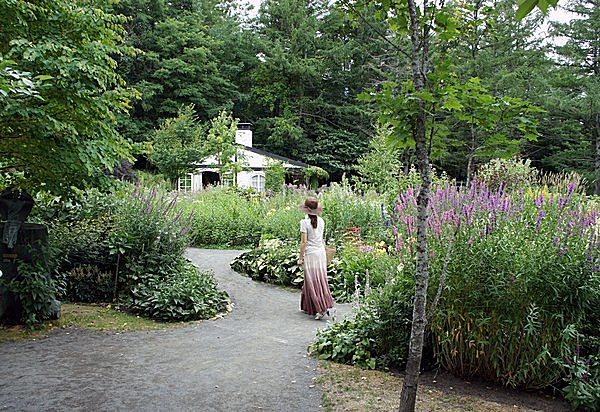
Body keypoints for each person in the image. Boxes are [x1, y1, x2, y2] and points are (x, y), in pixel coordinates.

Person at [297, 197, 335, 320]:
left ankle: (321, 308)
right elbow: (322, 239)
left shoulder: (304, 223)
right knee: (320, 279)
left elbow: (304, 242)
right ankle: (309, 307)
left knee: (313, 281)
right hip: (320, 253)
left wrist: (300, 257)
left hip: (311, 254)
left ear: (306, 210)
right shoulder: (322, 221)